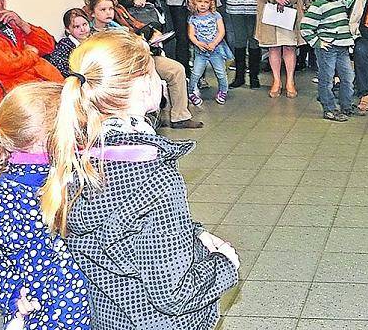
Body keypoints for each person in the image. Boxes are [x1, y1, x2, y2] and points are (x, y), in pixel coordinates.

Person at [39, 31, 239, 329]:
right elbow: (174, 294)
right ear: (145, 85)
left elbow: (128, 227)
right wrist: (225, 265)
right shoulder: (156, 177)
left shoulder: (73, 155)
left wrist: (193, 232)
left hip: (109, 317)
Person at [0, 82, 91, 330]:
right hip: (69, 310)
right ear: (52, 137)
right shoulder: (65, 182)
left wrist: (12, 293)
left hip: (33, 310)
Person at [84, 0, 202, 129]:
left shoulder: (118, 25)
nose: (108, 13)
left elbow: (136, 35)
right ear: (92, 13)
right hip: (122, 68)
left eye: (110, 9)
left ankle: (180, 117)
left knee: (176, 69)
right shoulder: (89, 33)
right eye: (103, 10)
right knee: (146, 74)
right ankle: (149, 115)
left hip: (141, 58)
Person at [300, 0, 356, 121]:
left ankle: (346, 105)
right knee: (327, 78)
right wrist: (317, 42)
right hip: (327, 48)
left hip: (342, 47)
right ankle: (329, 108)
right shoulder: (318, 5)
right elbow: (305, 27)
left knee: (347, 77)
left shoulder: (339, 0)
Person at [187, 0, 232, 106]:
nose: (202, 4)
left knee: (221, 72)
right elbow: (191, 34)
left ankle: (223, 91)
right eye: (200, 1)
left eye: (206, 2)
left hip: (216, 50)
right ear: (194, 2)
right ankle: (191, 92)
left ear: (211, 3)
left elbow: (221, 31)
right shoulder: (193, 18)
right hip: (200, 52)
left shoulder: (216, 15)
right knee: (196, 73)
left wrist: (214, 43)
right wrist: (197, 43)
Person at [47, 8, 91, 77]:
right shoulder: (64, 45)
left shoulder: (94, 40)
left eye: (85, 24)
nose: (82, 29)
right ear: (68, 30)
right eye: (77, 27)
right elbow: (58, 65)